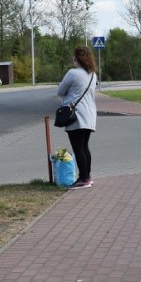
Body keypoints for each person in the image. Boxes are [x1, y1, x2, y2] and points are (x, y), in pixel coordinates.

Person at [56, 45, 97, 189]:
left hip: (76, 115)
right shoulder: (93, 74)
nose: (73, 59)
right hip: (90, 115)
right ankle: (88, 177)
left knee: (78, 148)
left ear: (77, 58)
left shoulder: (72, 73)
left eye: (74, 56)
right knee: (84, 147)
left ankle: (83, 179)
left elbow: (60, 91)